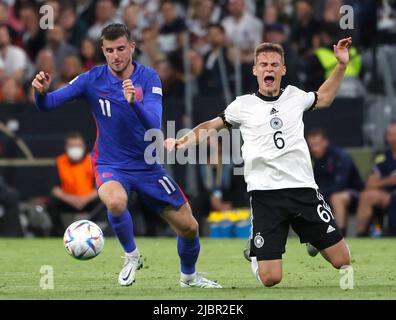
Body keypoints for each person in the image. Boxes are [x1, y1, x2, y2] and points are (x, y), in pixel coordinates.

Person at [32, 23, 221, 288]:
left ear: (132, 47)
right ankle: (132, 255)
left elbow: (154, 126)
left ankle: (189, 277)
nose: (116, 55)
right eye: (109, 50)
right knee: (115, 201)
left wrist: (134, 103)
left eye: (121, 48)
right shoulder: (91, 79)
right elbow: (49, 104)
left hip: (148, 167)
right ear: (103, 51)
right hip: (110, 163)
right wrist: (40, 93)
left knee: (189, 227)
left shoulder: (149, 78)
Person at [165, 38, 353, 287]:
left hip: (303, 190)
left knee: (343, 261)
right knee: (271, 279)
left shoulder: (295, 96)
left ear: (283, 70)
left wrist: (340, 65)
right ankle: (255, 248)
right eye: (263, 64)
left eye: (275, 64)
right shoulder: (243, 105)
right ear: (255, 70)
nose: (269, 69)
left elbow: (325, 98)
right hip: (266, 195)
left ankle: (312, 238)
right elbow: (211, 126)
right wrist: (182, 141)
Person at [307, 128, 363, 237]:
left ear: (325, 142)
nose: (314, 149)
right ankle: (314, 237)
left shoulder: (340, 156)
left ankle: (339, 235)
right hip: (326, 194)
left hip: (353, 195)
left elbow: (340, 185)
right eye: (311, 145)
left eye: (317, 145)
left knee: (337, 197)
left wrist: (320, 195)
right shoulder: (311, 159)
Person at [47, 132, 101, 237]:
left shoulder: (93, 160)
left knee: (105, 201)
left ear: (84, 146)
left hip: (89, 201)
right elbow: (54, 189)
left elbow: (101, 186)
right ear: (66, 147)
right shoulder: (60, 161)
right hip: (68, 201)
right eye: (71, 146)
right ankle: (60, 234)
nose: (75, 149)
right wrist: (70, 199)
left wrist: (85, 199)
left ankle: (100, 233)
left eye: (78, 146)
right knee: (52, 203)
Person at [355, 122, 396, 237]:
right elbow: (370, 184)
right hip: (385, 194)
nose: (393, 137)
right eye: (390, 134)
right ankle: (361, 235)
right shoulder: (381, 157)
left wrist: (381, 181)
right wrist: (390, 180)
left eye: (395, 134)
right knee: (366, 195)